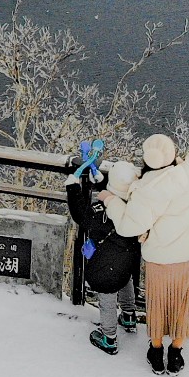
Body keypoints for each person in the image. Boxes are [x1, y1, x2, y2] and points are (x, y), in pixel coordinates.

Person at [103, 87, 189, 375]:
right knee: (183, 302)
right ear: (173, 154)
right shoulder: (188, 172)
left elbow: (131, 225)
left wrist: (110, 201)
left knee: (158, 304)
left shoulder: (145, 190)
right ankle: (177, 352)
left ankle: (156, 352)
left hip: (160, 258)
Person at [65, 146, 141, 355]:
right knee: (126, 282)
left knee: (107, 296)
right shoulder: (136, 206)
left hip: (106, 266)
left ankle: (109, 338)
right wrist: (99, 181)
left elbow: (81, 215)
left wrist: (73, 188)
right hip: (126, 261)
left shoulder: (102, 213)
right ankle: (129, 316)